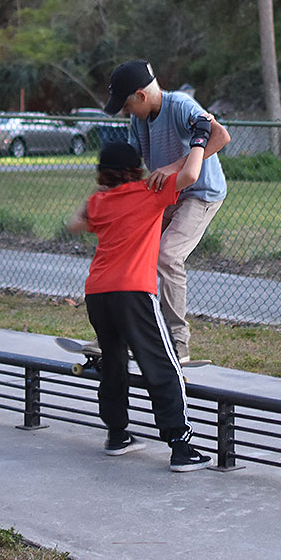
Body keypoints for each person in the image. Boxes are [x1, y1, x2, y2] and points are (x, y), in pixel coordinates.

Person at [65, 141, 212, 472]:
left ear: (103, 173)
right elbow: (191, 173)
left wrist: (100, 189)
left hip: (98, 294)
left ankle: (117, 435)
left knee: (113, 364)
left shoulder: (98, 202)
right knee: (162, 365)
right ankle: (180, 445)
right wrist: (200, 141)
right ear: (137, 169)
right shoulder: (150, 192)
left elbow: (74, 224)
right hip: (133, 292)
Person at [103, 60, 230, 363]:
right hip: (168, 196)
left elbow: (221, 136)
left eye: (126, 104)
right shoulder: (140, 120)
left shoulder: (180, 105)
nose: (125, 111)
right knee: (132, 254)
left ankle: (178, 342)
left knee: (167, 255)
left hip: (200, 194)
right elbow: (133, 163)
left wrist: (175, 166)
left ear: (141, 96)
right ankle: (126, 334)